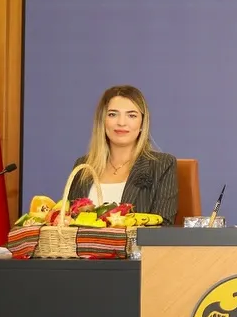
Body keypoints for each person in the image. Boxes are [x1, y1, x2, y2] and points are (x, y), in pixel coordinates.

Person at [68, 85, 179, 225]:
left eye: (131, 115)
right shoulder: (83, 166)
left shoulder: (162, 165)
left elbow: (163, 226)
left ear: (142, 123)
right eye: (112, 114)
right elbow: (68, 221)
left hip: (136, 241)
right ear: (102, 121)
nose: (121, 123)